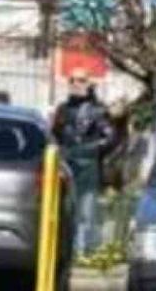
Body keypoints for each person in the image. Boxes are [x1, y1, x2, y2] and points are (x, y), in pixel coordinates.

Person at [53, 69, 113, 254]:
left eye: (80, 80)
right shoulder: (62, 109)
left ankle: (83, 250)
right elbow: (55, 135)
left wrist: (90, 151)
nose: (75, 84)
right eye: (72, 80)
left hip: (88, 165)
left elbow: (109, 138)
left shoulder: (98, 110)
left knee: (87, 211)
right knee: (65, 209)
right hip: (66, 165)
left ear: (88, 84)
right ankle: (66, 250)